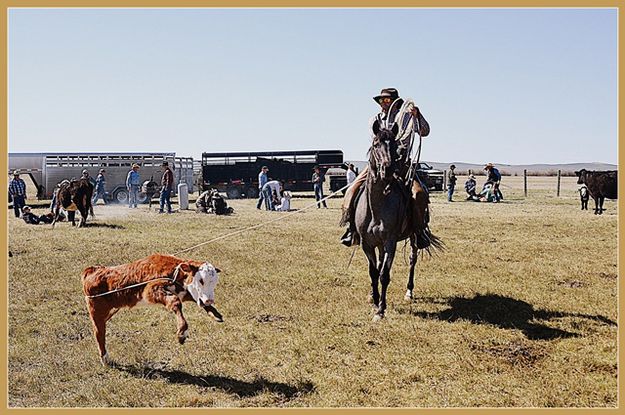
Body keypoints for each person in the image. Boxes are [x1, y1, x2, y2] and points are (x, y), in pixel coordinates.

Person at [340, 87, 430, 246]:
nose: (383, 103)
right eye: (381, 100)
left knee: (419, 194)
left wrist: (418, 115)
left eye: (387, 100)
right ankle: (352, 229)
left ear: (396, 103)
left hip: (402, 165)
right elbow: (376, 142)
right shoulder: (374, 120)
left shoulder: (408, 118)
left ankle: (419, 231)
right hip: (378, 163)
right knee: (351, 190)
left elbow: (425, 131)